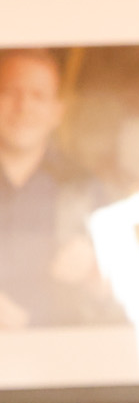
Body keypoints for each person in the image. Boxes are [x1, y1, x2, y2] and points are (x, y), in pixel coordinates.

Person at [0, 47, 118, 330]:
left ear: (57, 112)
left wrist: (95, 273)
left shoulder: (87, 190)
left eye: (38, 96)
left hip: (63, 359)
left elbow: (126, 298)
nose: (23, 106)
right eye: (9, 92)